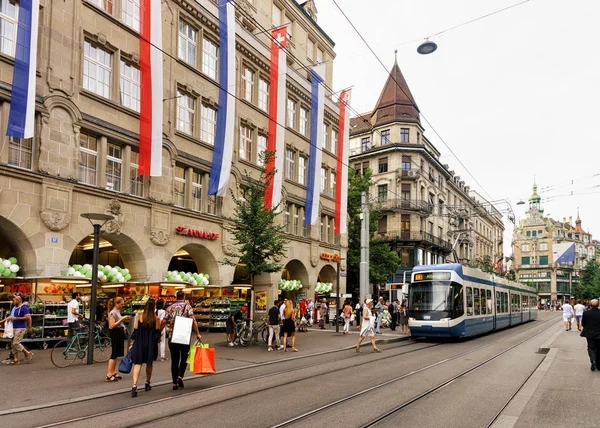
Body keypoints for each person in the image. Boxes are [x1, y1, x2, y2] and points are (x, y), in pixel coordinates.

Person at [164, 290, 202, 390]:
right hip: (184, 336)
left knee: (174, 359)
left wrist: (159, 331)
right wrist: (197, 333)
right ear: (184, 297)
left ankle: (174, 383)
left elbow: (164, 321)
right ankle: (180, 376)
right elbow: (193, 321)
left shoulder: (170, 308)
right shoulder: (187, 307)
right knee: (184, 358)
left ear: (176, 297)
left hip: (172, 337)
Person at [129, 299, 161, 397]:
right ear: (154, 307)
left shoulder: (139, 317)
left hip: (139, 343)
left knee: (138, 364)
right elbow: (157, 335)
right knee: (149, 363)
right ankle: (147, 383)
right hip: (150, 344)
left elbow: (135, 332)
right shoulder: (156, 319)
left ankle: (134, 385)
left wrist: (132, 344)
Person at [1, 294, 33, 364]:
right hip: (13, 327)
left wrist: (29, 327)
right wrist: (1, 321)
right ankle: (16, 359)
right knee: (13, 344)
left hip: (20, 328)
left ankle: (28, 353)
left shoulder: (24, 308)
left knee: (16, 343)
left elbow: (28, 317)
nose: (13, 301)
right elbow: (10, 317)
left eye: (14, 300)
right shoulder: (14, 308)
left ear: (19, 300)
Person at [106, 297, 131, 382]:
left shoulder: (117, 311)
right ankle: (109, 373)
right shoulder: (113, 312)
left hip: (118, 333)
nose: (122, 306)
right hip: (115, 333)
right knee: (114, 354)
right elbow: (112, 325)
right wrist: (122, 319)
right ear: (117, 304)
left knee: (116, 354)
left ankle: (113, 371)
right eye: (121, 304)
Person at [581, 299, 600, 371]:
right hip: (599, 334)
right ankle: (599, 365)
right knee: (599, 349)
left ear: (590, 305)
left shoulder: (586, 313)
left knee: (591, 348)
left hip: (589, 333)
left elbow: (583, 323)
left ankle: (593, 360)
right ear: (598, 305)